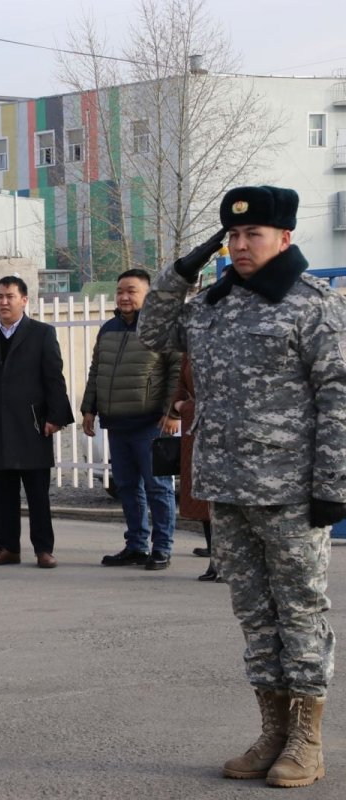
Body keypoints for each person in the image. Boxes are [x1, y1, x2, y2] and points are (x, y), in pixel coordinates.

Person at [139, 186, 345, 788]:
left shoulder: (313, 305)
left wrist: (332, 482)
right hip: (227, 487)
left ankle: (306, 741)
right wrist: (182, 271)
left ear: (285, 237)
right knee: (255, 616)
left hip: (290, 490)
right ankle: (272, 732)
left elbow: (338, 396)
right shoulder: (213, 303)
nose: (240, 244)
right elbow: (153, 331)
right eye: (231, 235)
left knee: (300, 611)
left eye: (253, 233)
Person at [0, 276, 73, 568]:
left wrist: (56, 417)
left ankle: (43, 550)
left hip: (32, 426)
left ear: (24, 300)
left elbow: (54, 377)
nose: (4, 302)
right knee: (3, 494)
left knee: (37, 494)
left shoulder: (41, 333)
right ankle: (8, 548)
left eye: (10, 296)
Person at [80, 269, 182, 571]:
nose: (124, 297)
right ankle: (136, 545)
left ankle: (161, 548)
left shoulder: (162, 328)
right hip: (117, 423)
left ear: (148, 295)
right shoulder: (108, 329)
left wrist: (172, 412)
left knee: (158, 487)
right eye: (120, 291)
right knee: (126, 486)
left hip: (151, 423)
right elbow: (97, 370)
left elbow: (176, 371)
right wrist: (89, 408)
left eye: (132, 291)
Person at [169, 355, 218, 581]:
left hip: (232, 433)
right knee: (203, 496)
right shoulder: (194, 345)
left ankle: (229, 562)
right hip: (195, 431)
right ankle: (215, 560)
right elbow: (180, 384)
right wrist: (181, 406)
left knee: (226, 499)